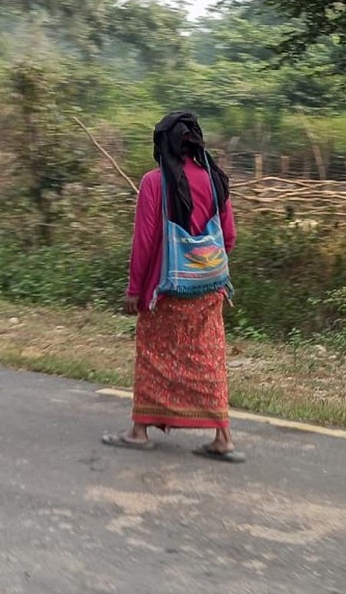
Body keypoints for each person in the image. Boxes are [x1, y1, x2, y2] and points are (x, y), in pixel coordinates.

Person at [102, 111, 244, 463]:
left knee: (154, 356)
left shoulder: (154, 183)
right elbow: (228, 237)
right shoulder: (214, 180)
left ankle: (139, 431)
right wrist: (203, 266)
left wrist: (135, 289)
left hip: (164, 290)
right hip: (209, 290)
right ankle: (223, 437)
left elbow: (144, 241)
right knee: (209, 358)